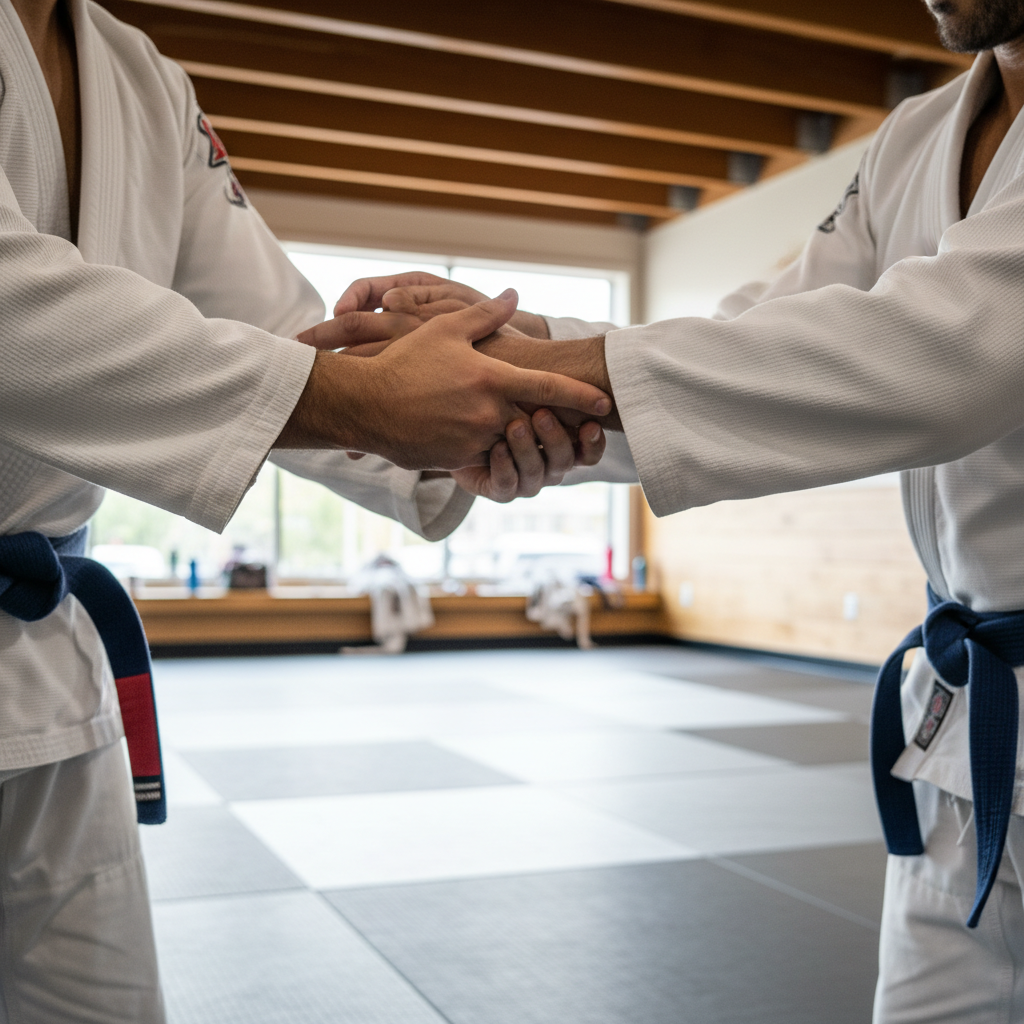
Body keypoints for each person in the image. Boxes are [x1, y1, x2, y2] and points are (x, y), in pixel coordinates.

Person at [321, 1, 1024, 1018]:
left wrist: (528, 367)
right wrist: (515, 349)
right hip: (961, 732)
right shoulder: (918, 133)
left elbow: (947, 352)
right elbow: (767, 333)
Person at [0, 0, 613, 1019]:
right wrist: (370, 399)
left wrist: (451, 409)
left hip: (52, 666)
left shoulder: (138, 70)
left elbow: (277, 324)